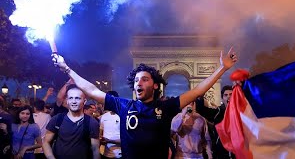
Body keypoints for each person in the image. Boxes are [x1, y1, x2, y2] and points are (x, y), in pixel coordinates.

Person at [52, 47, 237, 158]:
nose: (138, 82)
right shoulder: (123, 105)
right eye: (136, 80)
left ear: (156, 85)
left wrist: (222, 68)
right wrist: (67, 69)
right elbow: (92, 90)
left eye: (145, 79)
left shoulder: (167, 107)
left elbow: (198, 90)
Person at [43, 84, 100, 159]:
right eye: (71, 98)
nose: (74, 101)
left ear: (84, 101)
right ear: (67, 100)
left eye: (77, 98)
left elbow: (95, 149)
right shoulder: (57, 119)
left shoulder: (92, 123)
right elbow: (46, 142)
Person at [100, 91, 121, 159]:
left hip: (120, 155)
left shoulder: (123, 116)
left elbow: (126, 139)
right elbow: (100, 134)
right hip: (105, 154)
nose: (110, 102)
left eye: (113, 99)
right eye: (108, 100)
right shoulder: (104, 117)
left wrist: (109, 141)